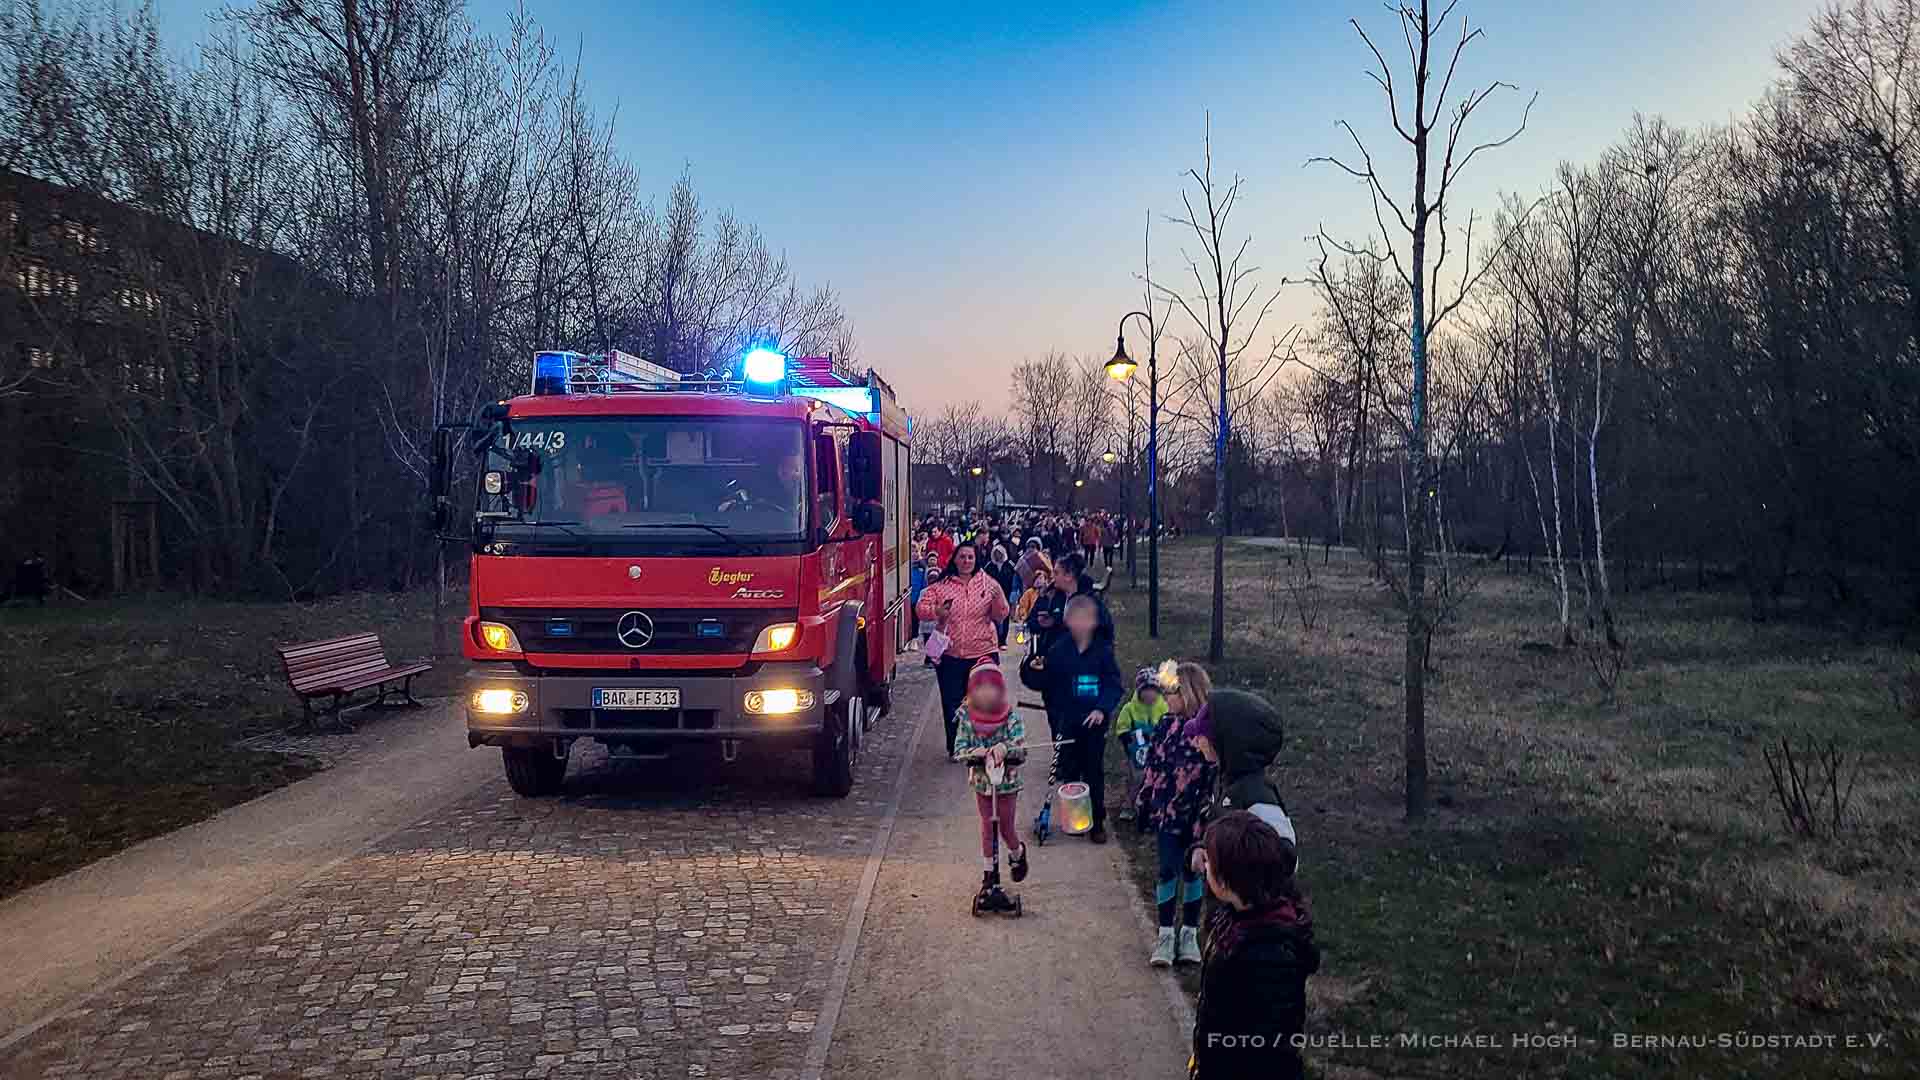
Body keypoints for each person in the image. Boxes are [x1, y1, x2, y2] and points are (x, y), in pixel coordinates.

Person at [1190, 811, 1317, 1080]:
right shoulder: (1237, 914)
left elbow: (1264, 1050)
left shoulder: (1269, 957)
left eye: (1209, 861)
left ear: (1226, 880)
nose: (1204, 865)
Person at [1135, 661, 1218, 967]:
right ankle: (1166, 934)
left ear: (1188, 693)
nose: (1165, 697)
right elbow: (1153, 765)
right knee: (1167, 869)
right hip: (1167, 813)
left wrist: (1206, 815)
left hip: (1197, 814)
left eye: (1171, 692)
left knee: (1193, 870)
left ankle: (1189, 934)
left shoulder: (1208, 730)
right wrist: (1145, 798)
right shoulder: (1165, 725)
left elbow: (1211, 774)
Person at [1027, 594, 1122, 843]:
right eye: (1076, 618)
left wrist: (1101, 709)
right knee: (1069, 769)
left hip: (1094, 724)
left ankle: (1097, 821)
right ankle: (1076, 817)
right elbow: (1045, 682)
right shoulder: (1058, 651)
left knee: (1093, 771)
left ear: (1094, 621)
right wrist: (1032, 670)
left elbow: (1113, 685)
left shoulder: (1103, 652)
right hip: (1067, 721)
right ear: (1068, 621)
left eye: (1086, 618)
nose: (1081, 623)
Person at [916, 540, 1010, 756]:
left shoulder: (989, 584)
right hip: (951, 655)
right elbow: (921, 609)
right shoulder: (942, 585)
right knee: (952, 702)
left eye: (970, 557)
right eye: (962, 557)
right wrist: (937, 612)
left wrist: (998, 602)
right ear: (955, 560)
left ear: (976, 560)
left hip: (983, 653)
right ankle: (957, 745)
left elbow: (1001, 614)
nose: (966, 561)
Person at [949, 661, 1032, 904]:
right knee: (987, 826)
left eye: (991, 687)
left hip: (1007, 782)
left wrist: (1005, 748)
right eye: (980, 688)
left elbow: (1021, 747)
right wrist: (974, 752)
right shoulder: (966, 717)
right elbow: (959, 749)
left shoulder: (1011, 717)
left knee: (1005, 826)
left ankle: (1017, 852)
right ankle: (989, 875)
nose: (986, 693)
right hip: (982, 782)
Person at [1111, 667, 1167, 821]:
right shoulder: (1130, 709)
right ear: (1139, 690)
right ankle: (1129, 805)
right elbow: (1122, 728)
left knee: (1157, 778)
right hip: (1136, 753)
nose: (1150, 694)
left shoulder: (1163, 707)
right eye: (1146, 690)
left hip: (1157, 751)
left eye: (1154, 690)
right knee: (1136, 779)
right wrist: (1127, 740)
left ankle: (1152, 806)